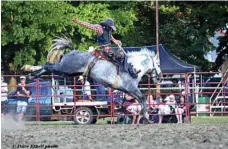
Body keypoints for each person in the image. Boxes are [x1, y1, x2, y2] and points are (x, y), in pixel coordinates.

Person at [72, 18, 140, 79]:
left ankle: (128, 70)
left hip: (108, 48)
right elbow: (89, 25)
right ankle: (129, 71)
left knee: (122, 56)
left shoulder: (109, 30)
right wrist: (78, 21)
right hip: (103, 49)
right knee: (122, 56)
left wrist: (116, 41)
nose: (111, 28)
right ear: (107, 25)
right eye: (110, 27)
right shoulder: (100, 28)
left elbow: (110, 37)